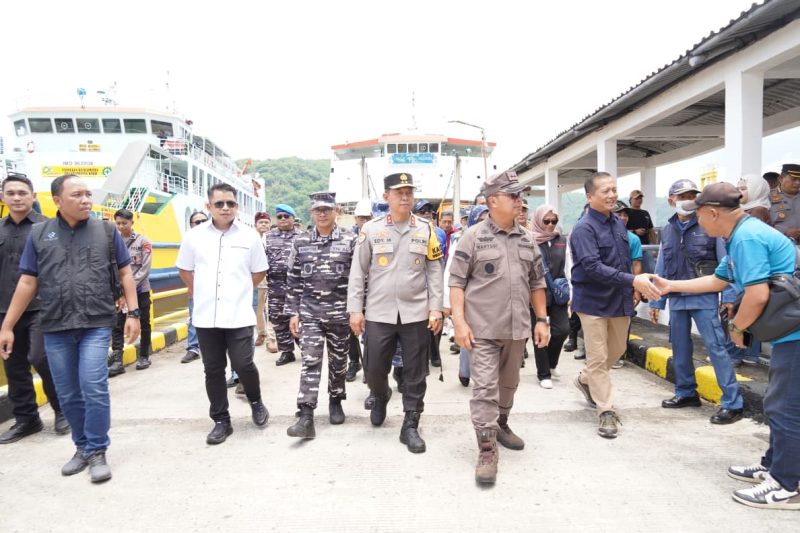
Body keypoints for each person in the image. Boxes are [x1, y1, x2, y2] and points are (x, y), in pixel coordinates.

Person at [653, 181, 800, 510]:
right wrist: (670, 285)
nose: (698, 223)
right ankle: (774, 466)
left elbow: (757, 294)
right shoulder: (739, 234)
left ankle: (788, 485)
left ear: (712, 213)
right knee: (780, 403)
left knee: (785, 408)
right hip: (789, 331)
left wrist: (737, 327)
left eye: (700, 216)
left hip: (796, 335)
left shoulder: (746, 238)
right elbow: (718, 280)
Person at [0, 174, 141, 483]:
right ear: (57, 201)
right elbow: (27, 281)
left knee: (93, 386)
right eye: (77, 194)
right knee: (67, 393)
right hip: (56, 325)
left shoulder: (105, 231)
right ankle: (82, 448)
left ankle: (99, 450)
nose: (86, 199)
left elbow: (125, 273)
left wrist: (134, 313)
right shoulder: (39, 234)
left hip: (95, 322)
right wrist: (7, 326)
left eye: (88, 194)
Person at [449, 170, 550, 484]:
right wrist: (460, 321)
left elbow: (537, 282)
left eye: (521, 196)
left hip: (517, 329)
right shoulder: (473, 237)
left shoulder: (527, 239)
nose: (520, 202)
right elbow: (455, 282)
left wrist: (542, 319)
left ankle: (501, 424)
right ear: (493, 201)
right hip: (483, 330)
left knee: (508, 385)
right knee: (485, 390)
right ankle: (487, 447)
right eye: (513, 196)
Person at [347, 172, 444, 454]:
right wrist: (355, 310)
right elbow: (358, 272)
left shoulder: (425, 229)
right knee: (374, 368)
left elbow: (434, 271)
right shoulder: (372, 230)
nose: (405, 197)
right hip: (378, 312)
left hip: (415, 313)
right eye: (399, 192)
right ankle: (380, 395)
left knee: (416, 373)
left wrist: (436, 308)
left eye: (409, 192)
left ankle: (410, 424)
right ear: (386, 197)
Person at [176, 183, 269, 445]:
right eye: (219, 204)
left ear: (237, 206)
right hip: (206, 317)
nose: (225, 208)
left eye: (230, 203)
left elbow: (259, 270)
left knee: (243, 364)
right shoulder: (193, 237)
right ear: (209, 207)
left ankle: (256, 401)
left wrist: (240, 289)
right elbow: (184, 269)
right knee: (213, 370)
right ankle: (221, 420)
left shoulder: (249, 237)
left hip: (238, 314)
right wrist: (197, 290)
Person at [569, 172, 661, 439]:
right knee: (598, 357)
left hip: (618, 299)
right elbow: (592, 267)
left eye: (613, 190)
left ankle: (585, 380)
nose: (611, 195)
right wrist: (633, 280)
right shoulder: (584, 228)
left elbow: (623, 261)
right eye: (604, 191)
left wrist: (632, 287)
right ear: (589, 197)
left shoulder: (618, 224)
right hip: (593, 302)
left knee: (617, 350)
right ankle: (606, 410)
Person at [649, 179, 744, 424]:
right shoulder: (668, 229)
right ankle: (686, 393)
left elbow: (727, 263)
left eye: (692, 195)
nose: (688, 200)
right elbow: (662, 264)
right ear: (671, 201)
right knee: (680, 349)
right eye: (682, 196)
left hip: (704, 296)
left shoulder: (708, 224)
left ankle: (732, 403)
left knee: (717, 349)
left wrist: (730, 297)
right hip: (677, 296)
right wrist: (656, 301)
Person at [0, 174, 69, 444]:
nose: (17, 197)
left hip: (44, 308)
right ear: (3, 197)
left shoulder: (49, 228)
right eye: (11, 193)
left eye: (22, 193)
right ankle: (27, 419)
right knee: (13, 364)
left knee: (41, 357)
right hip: (5, 310)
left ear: (33, 196)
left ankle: (62, 410)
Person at [285, 192, 357, 438]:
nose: (323, 213)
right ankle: (306, 415)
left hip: (340, 313)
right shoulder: (301, 241)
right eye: (318, 210)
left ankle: (336, 399)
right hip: (310, 313)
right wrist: (293, 312)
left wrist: (358, 311)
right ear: (311, 213)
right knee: (310, 361)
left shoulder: (350, 240)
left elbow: (360, 280)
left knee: (339, 363)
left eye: (327, 209)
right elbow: (293, 279)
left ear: (336, 211)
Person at [529, 204, 569, 389]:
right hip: (537, 293)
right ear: (538, 221)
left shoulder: (562, 241)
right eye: (546, 221)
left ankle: (552, 363)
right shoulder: (530, 241)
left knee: (562, 330)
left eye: (554, 221)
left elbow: (569, 266)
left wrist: (572, 292)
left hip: (558, 293)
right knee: (540, 332)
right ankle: (543, 373)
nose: (551, 225)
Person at [108, 208, 153, 374]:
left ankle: (144, 356)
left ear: (132, 223)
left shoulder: (143, 242)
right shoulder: (112, 242)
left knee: (144, 322)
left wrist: (129, 285)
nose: (121, 226)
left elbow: (145, 268)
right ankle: (117, 360)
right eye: (118, 223)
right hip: (119, 292)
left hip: (140, 290)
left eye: (124, 223)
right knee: (117, 324)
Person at [266, 204, 301, 365]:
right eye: (279, 217)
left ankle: (306, 348)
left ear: (293, 218)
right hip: (275, 285)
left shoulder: (302, 236)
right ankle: (286, 352)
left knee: (300, 318)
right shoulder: (269, 237)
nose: (283, 219)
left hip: (297, 287)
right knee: (278, 320)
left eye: (286, 216)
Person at [345, 199, 373, 382]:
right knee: (352, 332)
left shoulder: (378, 235)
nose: (363, 221)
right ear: (355, 218)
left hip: (373, 294)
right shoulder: (348, 238)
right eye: (360, 218)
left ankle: (371, 368)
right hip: (354, 293)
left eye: (366, 217)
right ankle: (354, 362)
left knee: (372, 335)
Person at [181, 211, 207, 364]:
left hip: (216, 287)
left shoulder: (217, 238)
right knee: (194, 317)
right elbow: (184, 267)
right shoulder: (189, 241)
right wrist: (191, 286)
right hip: (196, 285)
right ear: (191, 225)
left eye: (204, 221)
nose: (201, 224)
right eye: (197, 222)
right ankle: (193, 348)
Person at [253, 211, 278, 353]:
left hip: (274, 278)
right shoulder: (251, 239)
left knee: (271, 309)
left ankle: (271, 339)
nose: (264, 225)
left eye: (266, 222)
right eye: (261, 222)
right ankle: (261, 333)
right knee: (258, 308)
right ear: (256, 224)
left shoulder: (273, 238)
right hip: (258, 278)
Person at [768, 164, 800, 243]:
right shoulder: (767, 198)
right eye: (794, 179)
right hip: (778, 245)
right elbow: (761, 224)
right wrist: (785, 231)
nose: (798, 183)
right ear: (781, 178)